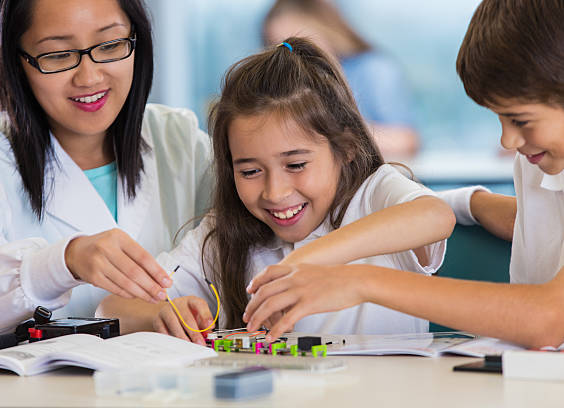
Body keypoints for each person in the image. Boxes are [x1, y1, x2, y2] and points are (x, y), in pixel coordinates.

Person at [244, 0, 564, 348]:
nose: (508, 139)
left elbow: (548, 319)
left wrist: (361, 282)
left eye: (521, 120)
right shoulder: (539, 156)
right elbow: (545, 223)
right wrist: (469, 203)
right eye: (498, 118)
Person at [97, 37, 455, 344]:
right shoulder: (223, 234)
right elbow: (110, 307)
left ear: (345, 149)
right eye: (250, 171)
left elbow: (435, 215)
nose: (275, 191)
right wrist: (160, 314)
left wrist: (307, 259)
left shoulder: (373, 193)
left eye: (296, 165)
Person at [0, 0, 213, 336]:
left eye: (110, 45)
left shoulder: (180, 141)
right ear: (15, 61)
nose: (89, 77)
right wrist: (64, 261)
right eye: (58, 55)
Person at [262, 0, 419, 158]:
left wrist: (333, 133)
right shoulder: (284, 82)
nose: (287, 57)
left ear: (327, 31)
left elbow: (407, 140)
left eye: (299, 44)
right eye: (278, 47)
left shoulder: (373, 69)